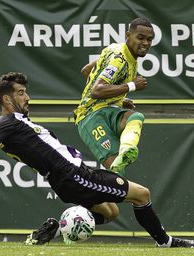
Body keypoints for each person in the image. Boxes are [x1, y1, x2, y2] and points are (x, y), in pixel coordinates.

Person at [0, 72, 194, 248]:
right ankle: (166, 242)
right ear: (7, 98)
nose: (28, 97)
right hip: (74, 175)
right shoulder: (8, 123)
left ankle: (54, 230)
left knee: (110, 212)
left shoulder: (13, 123)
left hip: (67, 178)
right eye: (21, 92)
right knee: (142, 195)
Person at [73, 17, 155, 223]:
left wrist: (118, 97)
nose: (145, 42)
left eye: (150, 39)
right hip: (90, 117)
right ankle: (80, 208)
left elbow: (87, 70)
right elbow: (96, 90)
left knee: (135, 117)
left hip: (105, 109)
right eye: (140, 37)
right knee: (117, 175)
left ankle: (126, 149)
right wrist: (131, 86)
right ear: (128, 36)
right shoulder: (120, 58)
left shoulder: (115, 50)